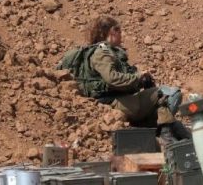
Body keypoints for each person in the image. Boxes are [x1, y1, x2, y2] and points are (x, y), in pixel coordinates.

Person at [65, 16, 190, 145]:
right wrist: (137, 77)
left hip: (120, 99)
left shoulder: (108, 51)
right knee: (166, 94)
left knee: (160, 102)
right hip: (114, 103)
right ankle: (164, 134)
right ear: (111, 32)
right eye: (118, 30)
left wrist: (140, 80)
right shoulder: (102, 52)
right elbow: (112, 78)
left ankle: (169, 130)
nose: (121, 34)